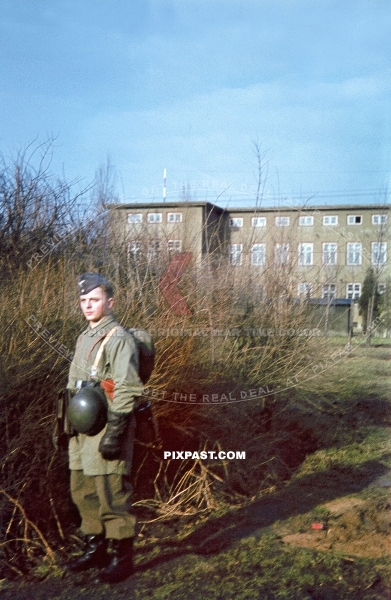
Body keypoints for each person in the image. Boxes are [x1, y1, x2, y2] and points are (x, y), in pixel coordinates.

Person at [63, 273, 144, 584]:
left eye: (93, 300)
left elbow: (127, 386)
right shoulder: (84, 337)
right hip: (82, 427)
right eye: (83, 301)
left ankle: (122, 558)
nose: (88, 305)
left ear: (109, 302)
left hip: (109, 425)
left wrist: (116, 430)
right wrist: (66, 426)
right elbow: (74, 386)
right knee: (83, 491)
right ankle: (95, 548)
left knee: (112, 493)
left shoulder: (119, 338)